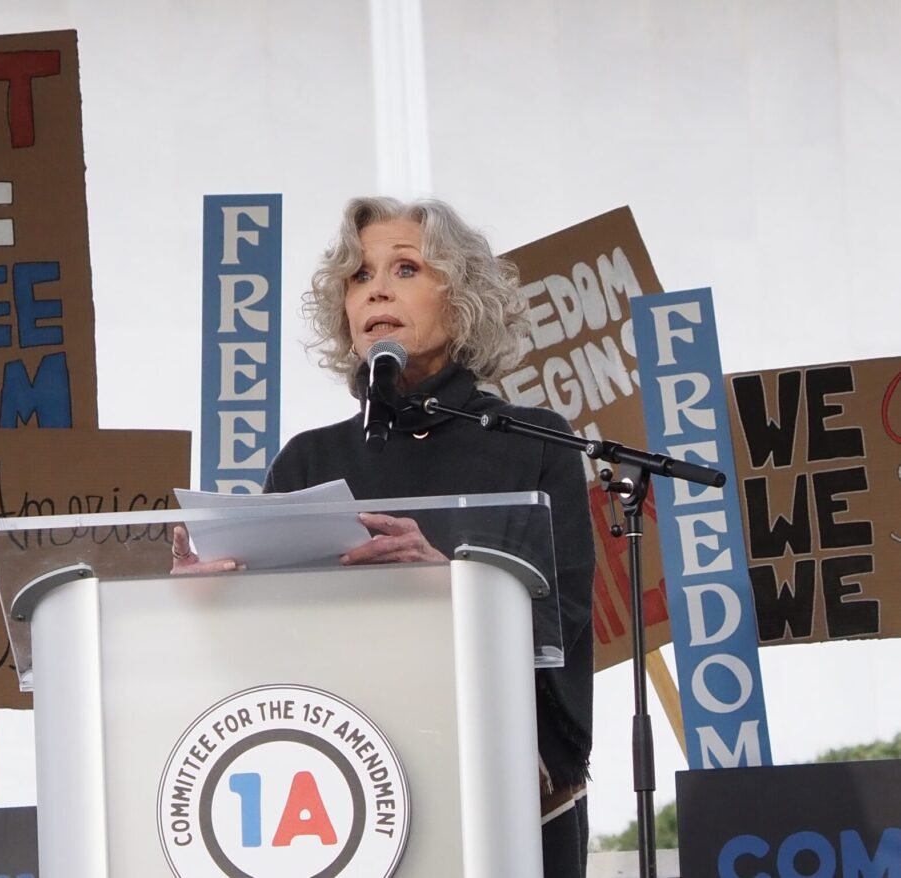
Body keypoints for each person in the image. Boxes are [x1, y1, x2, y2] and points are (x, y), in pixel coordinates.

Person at [172, 196, 595, 876]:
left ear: (460, 300)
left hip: (506, 789)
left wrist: (450, 582)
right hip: (343, 792)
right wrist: (205, 602)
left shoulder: (533, 444)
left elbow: (564, 616)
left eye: (404, 268)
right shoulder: (309, 460)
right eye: (360, 275)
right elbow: (267, 647)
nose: (376, 289)